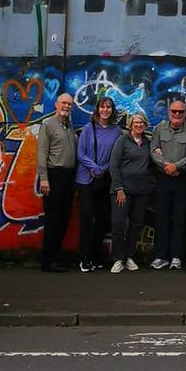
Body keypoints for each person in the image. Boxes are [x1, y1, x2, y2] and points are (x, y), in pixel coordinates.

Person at [149, 95, 186, 270]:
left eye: (180, 112)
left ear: (185, 113)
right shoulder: (159, 129)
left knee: (180, 219)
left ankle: (177, 257)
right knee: (160, 219)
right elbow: (153, 150)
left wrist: (176, 166)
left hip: (182, 180)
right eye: (174, 111)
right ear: (169, 112)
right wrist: (166, 166)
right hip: (163, 180)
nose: (177, 114)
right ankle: (161, 256)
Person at [76, 95, 121, 272]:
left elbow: (116, 156)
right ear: (97, 109)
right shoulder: (88, 129)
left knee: (102, 220)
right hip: (85, 180)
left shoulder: (116, 131)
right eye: (102, 107)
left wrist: (104, 169)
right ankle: (84, 257)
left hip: (104, 180)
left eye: (108, 107)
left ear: (112, 110)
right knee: (87, 218)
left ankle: (95, 256)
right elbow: (81, 153)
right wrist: (95, 167)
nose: (105, 110)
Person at [36, 92, 77, 272]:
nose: (66, 106)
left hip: (68, 177)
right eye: (63, 103)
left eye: (69, 104)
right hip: (54, 176)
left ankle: (56, 256)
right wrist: (44, 178)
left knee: (64, 218)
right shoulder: (48, 125)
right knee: (53, 219)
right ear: (56, 104)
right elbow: (41, 154)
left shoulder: (69, 125)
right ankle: (48, 261)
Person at [109, 112, 152, 273]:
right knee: (118, 224)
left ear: (145, 125)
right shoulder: (122, 141)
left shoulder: (148, 142)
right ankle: (118, 258)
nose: (138, 125)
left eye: (141, 123)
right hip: (122, 191)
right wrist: (119, 188)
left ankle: (129, 256)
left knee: (136, 224)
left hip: (141, 191)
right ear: (130, 125)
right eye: (135, 123)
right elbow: (113, 166)